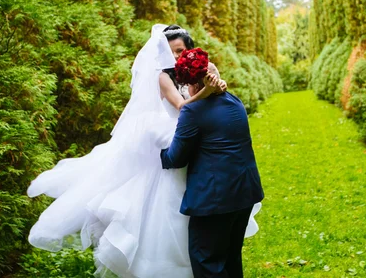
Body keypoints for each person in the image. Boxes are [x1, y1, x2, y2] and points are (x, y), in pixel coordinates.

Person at [26, 24, 259, 278]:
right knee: (186, 230)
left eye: (181, 51)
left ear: (191, 50)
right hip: (182, 138)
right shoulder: (168, 78)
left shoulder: (201, 79)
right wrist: (209, 92)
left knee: (209, 249)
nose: (176, 57)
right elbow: (183, 108)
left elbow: (199, 113)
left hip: (197, 150)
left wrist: (213, 87)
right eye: (171, 52)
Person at [161, 48, 264, 278]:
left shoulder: (193, 111)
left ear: (196, 86)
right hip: (244, 193)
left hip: (214, 201)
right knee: (230, 259)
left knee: (206, 261)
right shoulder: (234, 102)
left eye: (188, 86)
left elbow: (174, 158)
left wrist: (156, 153)